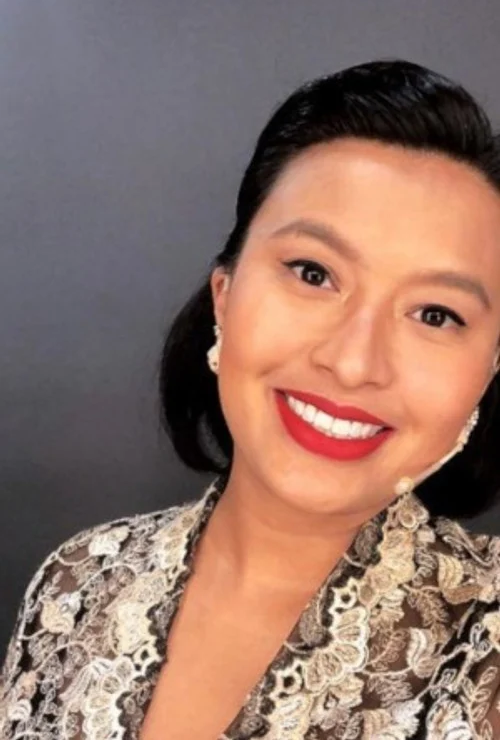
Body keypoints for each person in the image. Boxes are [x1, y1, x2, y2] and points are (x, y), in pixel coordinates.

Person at [2, 58, 500, 740]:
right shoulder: (78, 582)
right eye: (313, 273)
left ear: (489, 370)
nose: (353, 363)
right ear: (225, 295)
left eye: (435, 314)